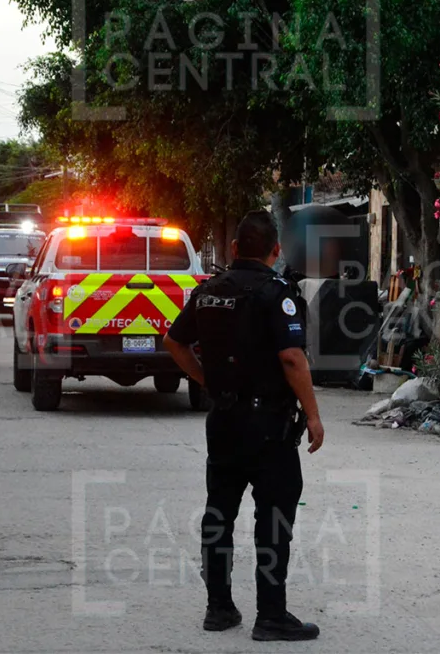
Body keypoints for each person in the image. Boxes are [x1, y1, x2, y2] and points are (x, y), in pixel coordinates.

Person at [164, 210, 325, 642]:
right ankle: (271, 615)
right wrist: (312, 414)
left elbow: (174, 342)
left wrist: (207, 381)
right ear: (275, 252)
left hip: (223, 421)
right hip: (268, 426)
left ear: (234, 249)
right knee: (273, 520)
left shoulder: (208, 293)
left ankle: (219, 609)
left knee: (219, 513)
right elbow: (292, 358)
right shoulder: (277, 294)